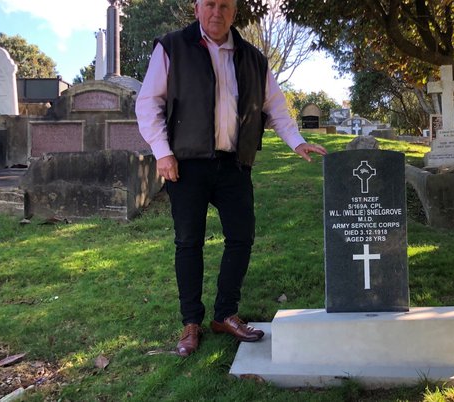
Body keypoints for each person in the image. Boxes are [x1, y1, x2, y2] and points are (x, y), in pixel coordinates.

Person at [136, 0, 327, 357]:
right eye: (209, 4)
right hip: (186, 163)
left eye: (224, 5)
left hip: (235, 165)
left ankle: (225, 313)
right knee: (188, 242)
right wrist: (162, 151)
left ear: (234, 12)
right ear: (197, 9)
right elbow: (149, 103)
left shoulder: (253, 57)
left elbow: (275, 107)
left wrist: (297, 141)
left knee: (241, 237)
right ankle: (191, 321)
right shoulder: (172, 47)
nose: (216, 12)